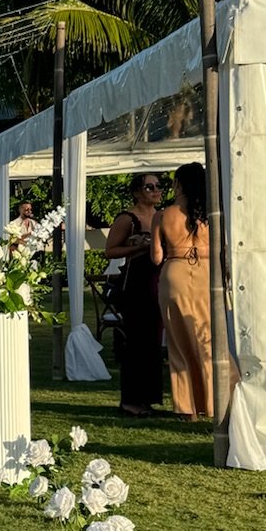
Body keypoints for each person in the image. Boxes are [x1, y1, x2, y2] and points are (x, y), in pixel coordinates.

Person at [152, 162, 211, 420]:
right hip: (207, 275)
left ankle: (187, 407)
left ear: (178, 184)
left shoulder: (164, 215)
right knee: (209, 337)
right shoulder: (212, 213)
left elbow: (156, 257)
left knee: (178, 342)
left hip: (175, 273)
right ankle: (215, 400)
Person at [105, 171, 164, 416]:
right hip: (136, 283)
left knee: (152, 344)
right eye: (149, 187)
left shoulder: (162, 216)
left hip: (158, 282)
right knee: (136, 343)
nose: (155, 190)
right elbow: (110, 251)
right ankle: (130, 400)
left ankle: (148, 398)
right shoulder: (128, 218)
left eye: (159, 185)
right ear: (137, 192)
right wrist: (141, 246)